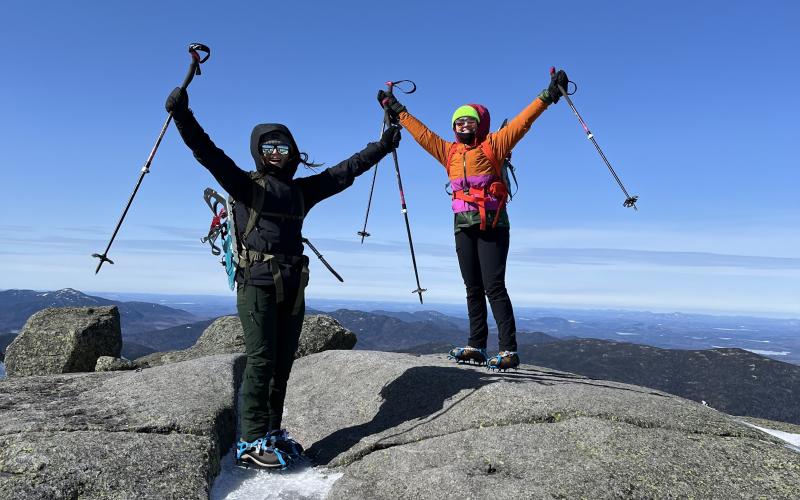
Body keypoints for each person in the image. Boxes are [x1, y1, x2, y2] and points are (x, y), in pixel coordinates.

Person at [166, 87, 401, 468]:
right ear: (258, 152)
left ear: (293, 152)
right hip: (256, 283)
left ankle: (271, 432)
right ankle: (251, 440)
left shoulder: (300, 191)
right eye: (269, 148)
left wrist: (383, 145)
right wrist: (182, 115)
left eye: (283, 148)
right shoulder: (244, 184)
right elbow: (207, 153)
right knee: (261, 360)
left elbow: (345, 171)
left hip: (292, 284)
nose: (277, 154)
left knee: (283, 362)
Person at [377, 69, 569, 371]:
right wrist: (397, 109)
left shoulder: (495, 144)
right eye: (458, 121)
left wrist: (548, 95)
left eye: (469, 120)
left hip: (493, 226)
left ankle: (508, 349)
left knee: (494, 286)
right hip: (463, 227)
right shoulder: (449, 152)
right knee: (472, 287)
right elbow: (422, 133)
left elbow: (523, 121)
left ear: (480, 123)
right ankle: (477, 345)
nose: (463, 125)